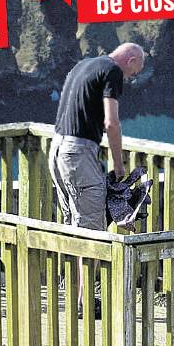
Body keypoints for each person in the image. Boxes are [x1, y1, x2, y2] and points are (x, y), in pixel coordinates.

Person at [50, 42, 146, 229]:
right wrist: (118, 166)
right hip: (77, 154)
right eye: (132, 73)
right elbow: (112, 123)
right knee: (91, 227)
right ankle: (89, 260)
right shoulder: (113, 71)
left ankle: (74, 259)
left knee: (71, 221)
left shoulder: (84, 65)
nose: (129, 78)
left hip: (57, 148)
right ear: (131, 60)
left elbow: (81, 109)